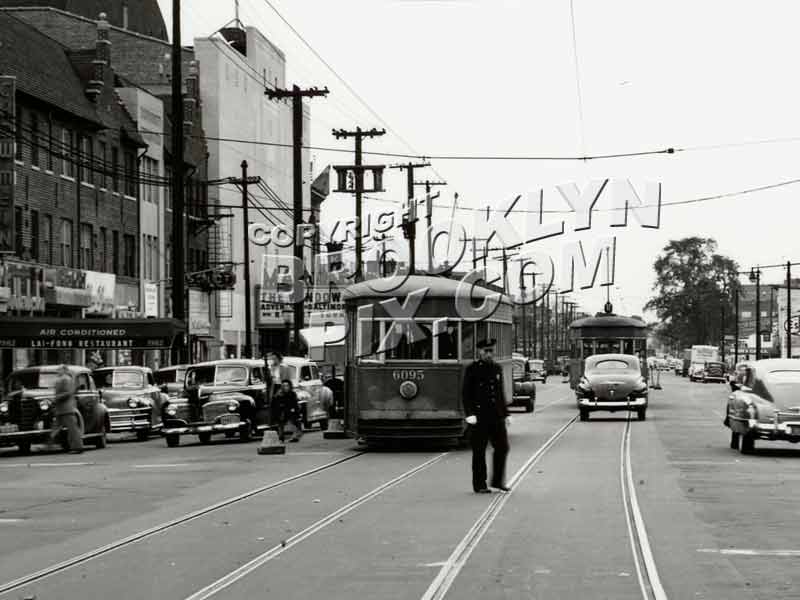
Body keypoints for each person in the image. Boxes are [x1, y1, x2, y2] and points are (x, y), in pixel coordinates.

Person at [462, 338, 510, 493]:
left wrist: (506, 414)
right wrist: (469, 414)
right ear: (479, 351)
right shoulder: (472, 369)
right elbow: (466, 393)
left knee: (503, 447)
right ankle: (480, 484)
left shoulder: (496, 368)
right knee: (479, 450)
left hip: (496, 416)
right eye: (486, 351)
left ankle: (497, 481)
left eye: (491, 351)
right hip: (479, 416)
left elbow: (499, 393)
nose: (489, 354)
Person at [52, 365, 82, 453]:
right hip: (61, 409)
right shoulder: (62, 379)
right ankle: (49, 445)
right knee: (55, 428)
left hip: (67, 408)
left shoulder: (66, 379)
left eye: (59, 370)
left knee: (72, 429)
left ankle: (77, 447)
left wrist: (56, 398)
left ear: (64, 370)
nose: (57, 371)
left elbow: (68, 392)